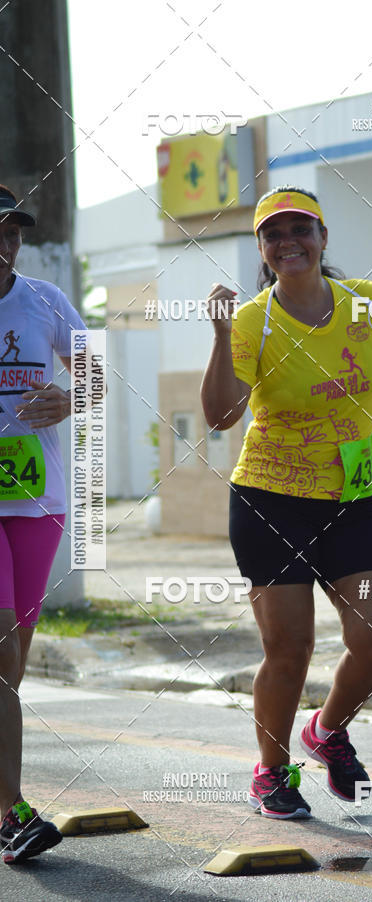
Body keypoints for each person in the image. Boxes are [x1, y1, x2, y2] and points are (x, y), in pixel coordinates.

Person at [201, 186, 372, 819]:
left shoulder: (363, 303)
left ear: (322, 238)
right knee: (289, 648)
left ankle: (326, 728)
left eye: (301, 229)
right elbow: (220, 415)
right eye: (273, 234)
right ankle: (270, 771)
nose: (288, 241)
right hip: (271, 498)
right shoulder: (253, 321)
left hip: (352, 494)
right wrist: (218, 335)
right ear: (263, 250)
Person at [0, 185, 86, 863]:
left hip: (38, 499)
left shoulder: (45, 301)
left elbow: (97, 376)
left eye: (13, 231)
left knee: (14, 664)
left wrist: (70, 395)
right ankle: (13, 812)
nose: (5, 242)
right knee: (0, 658)